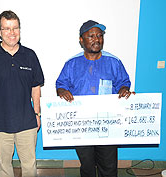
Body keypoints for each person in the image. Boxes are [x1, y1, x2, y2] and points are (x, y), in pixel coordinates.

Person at [56, 20, 134, 177]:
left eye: (100, 36)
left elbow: (123, 83)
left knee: (109, 165)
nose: (97, 39)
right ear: (81, 40)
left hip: (109, 123)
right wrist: (62, 91)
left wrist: (124, 90)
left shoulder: (114, 62)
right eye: (91, 36)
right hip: (81, 124)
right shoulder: (71, 64)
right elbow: (61, 84)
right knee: (87, 165)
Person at [0, 10, 44, 177]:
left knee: (29, 165)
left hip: (27, 122)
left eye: (15, 28)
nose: (12, 33)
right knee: (4, 167)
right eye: (6, 28)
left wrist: (37, 113)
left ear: (20, 30)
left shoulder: (30, 55)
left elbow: (36, 87)